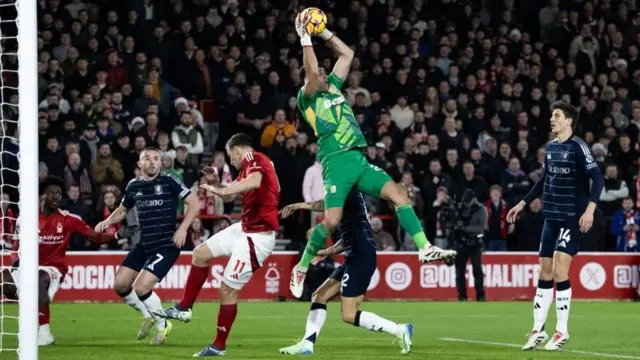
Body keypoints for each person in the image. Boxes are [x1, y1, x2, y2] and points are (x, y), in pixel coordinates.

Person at [290, 10, 455, 298]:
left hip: (358, 159)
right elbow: (310, 69)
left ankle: (425, 248)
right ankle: (302, 266)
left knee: (399, 195)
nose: (319, 74)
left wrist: (323, 33)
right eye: (315, 74)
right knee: (330, 221)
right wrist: (305, 36)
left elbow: (347, 54)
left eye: (321, 73)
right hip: (335, 163)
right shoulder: (307, 99)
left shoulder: (333, 90)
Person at [155, 133, 280, 357]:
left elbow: (254, 182)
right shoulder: (249, 166)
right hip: (244, 228)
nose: (231, 162)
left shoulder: (254, 158)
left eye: (231, 156)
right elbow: (233, 196)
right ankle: (184, 307)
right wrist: (216, 183)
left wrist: (221, 190)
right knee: (200, 253)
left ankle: (219, 346)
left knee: (227, 291)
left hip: (257, 238)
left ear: (236, 150)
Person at [507, 101, 604, 351]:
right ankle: (538, 330)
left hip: (571, 217)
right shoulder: (550, 148)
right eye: (552, 115)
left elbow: (598, 177)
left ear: (568, 120)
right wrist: (522, 203)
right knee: (544, 272)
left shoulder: (579, 147)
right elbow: (544, 182)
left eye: (557, 115)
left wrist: (590, 208)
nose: (552, 119)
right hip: (550, 217)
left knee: (561, 269)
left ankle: (562, 331)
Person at [1, 176, 138, 346]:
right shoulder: (26, 218)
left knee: (39, 278)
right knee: (4, 281)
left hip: (53, 269)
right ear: (42, 196)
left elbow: (95, 236)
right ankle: (32, 303)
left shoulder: (69, 219)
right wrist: (15, 260)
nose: (56, 197)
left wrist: (116, 235)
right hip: (28, 267)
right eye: (51, 193)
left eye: (59, 194)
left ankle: (44, 334)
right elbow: (15, 248)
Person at [278, 189, 413, 355]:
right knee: (319, 296)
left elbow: (326, 206)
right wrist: (329, 251)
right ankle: (307, 344)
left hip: (360, 257)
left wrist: (300, 205)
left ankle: (399, 329)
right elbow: (348, 238)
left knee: (348, 315)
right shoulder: (351, 201)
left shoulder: (348, 191)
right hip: (356, 256)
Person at [94, 147, 200, 344]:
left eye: (156, 159)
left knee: (142, 287)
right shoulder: (134, 185)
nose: (152, 162)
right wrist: (107, 222)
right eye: (147, 159)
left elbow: (194, 203)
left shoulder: (169, 180)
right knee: (120, 285)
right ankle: (148, 314)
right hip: (145, 243)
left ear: (160, 163)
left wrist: (183, 229)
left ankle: (162, 326)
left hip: (167, 244)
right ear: (139, 164)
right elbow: (122, 210)